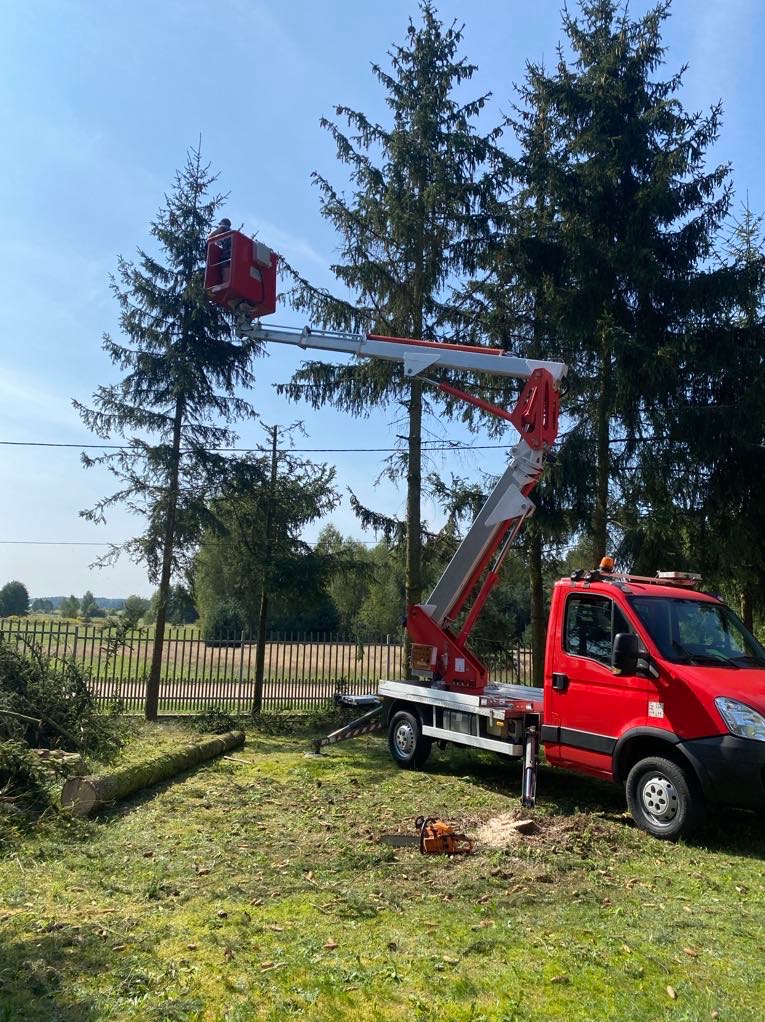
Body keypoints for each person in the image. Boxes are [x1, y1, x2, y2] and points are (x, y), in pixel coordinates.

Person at [208, 217, 232, 284]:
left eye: (220, 224)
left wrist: (210, 238)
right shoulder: (229, 233)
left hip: (226, 255)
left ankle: (225, 285)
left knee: (225, 275)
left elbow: (211, 235)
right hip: (231, 255)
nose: (219, 225)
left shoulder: (224, 227)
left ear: (223, 223)